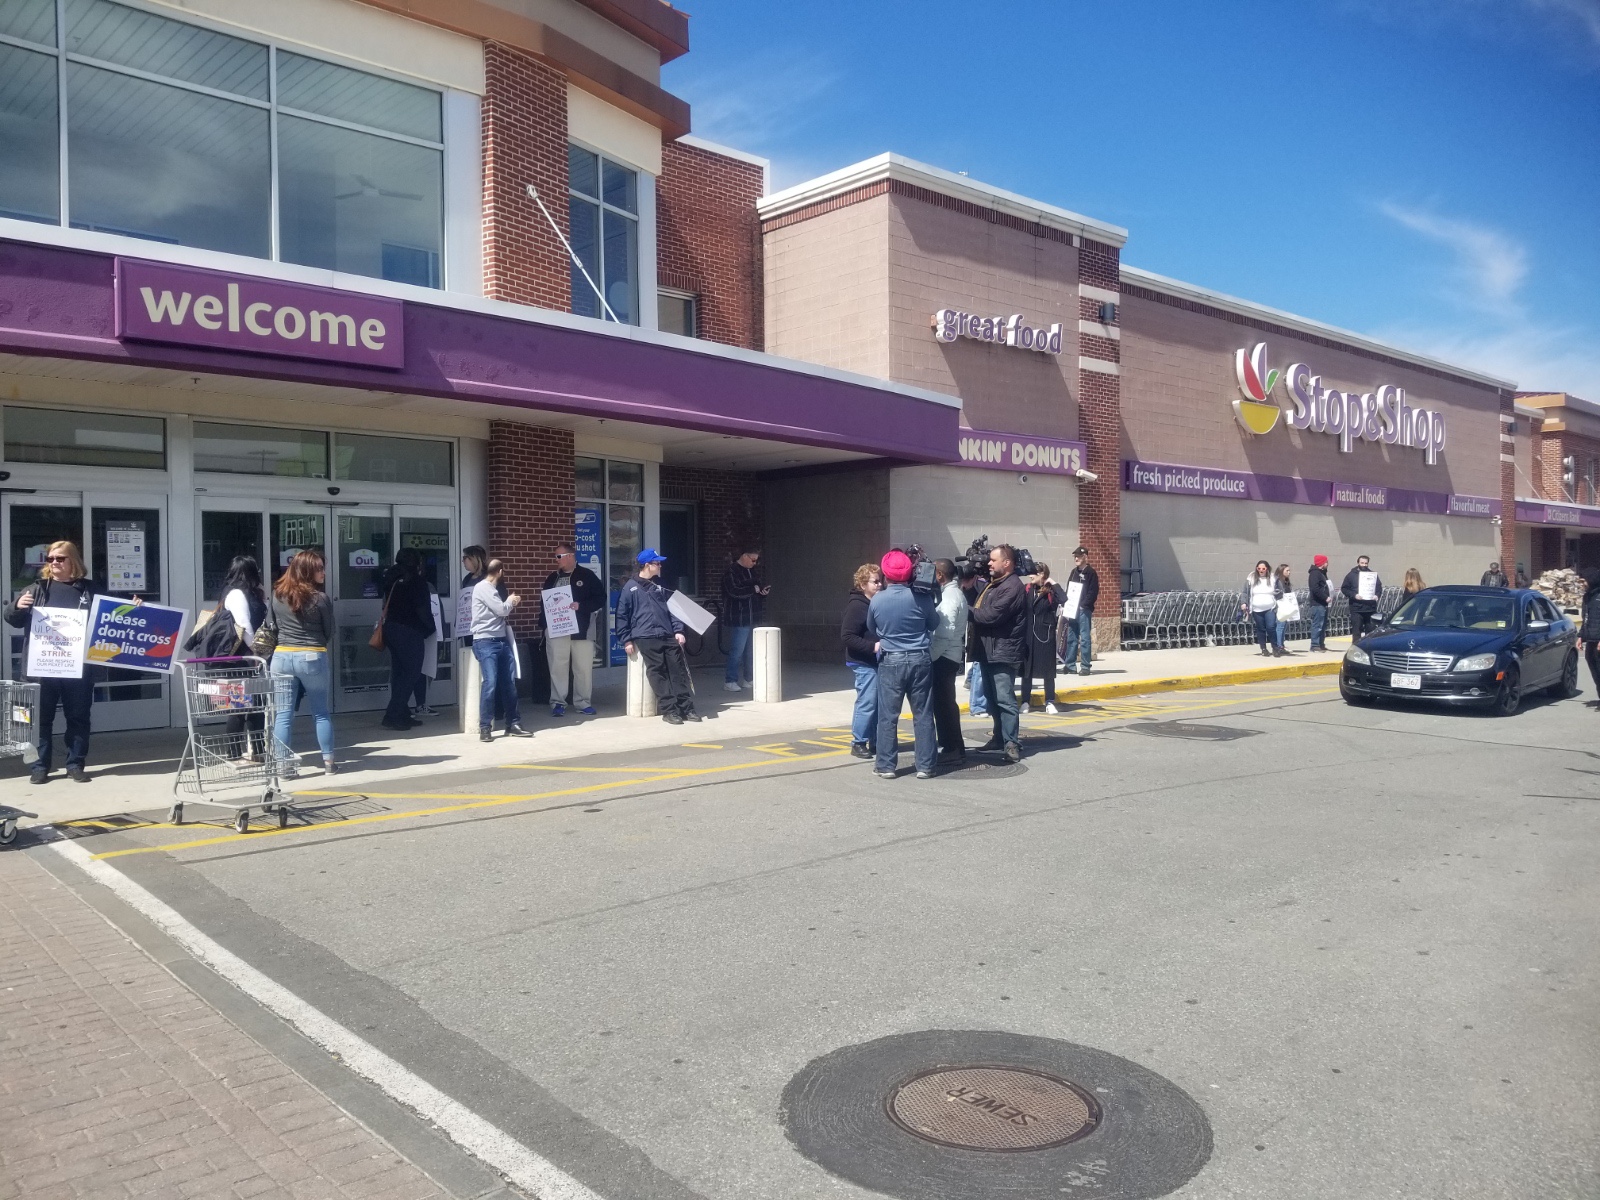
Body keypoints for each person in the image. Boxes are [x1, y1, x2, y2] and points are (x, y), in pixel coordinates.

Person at [6, 541, 96, 784]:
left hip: (77, 669)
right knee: (38, 720)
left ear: (73, 561)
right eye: (50, 559)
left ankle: (75, 765)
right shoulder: (36, 589)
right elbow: (12, 619)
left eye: (60, 558)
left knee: (78, 718)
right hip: (41, 669)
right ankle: (39, 767)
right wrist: (16, 606)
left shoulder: (89, 590)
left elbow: (114, 616)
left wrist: (135, 606)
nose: (54, 562)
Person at [866, 550, 939, 779]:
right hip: (919, 658)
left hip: (891, 659)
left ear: (886, 574)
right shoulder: (922, 597)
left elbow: (871, 627)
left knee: (888, 716)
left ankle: (886, 765)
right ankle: (925, 766)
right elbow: (934, 623)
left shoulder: (877, 599)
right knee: (923, 714)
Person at [267, 550, 337, 776]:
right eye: (319, 569)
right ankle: (329, 763)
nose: (323, 573)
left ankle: (283, 767)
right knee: (321, 713)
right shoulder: (320, 599)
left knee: (283, 715)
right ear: (307, 571)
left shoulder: (277, 595)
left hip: (281, 657)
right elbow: (329, 631)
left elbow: (272, 626)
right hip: (312, 656)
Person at [617, 549, 698, 725]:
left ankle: (687, 708)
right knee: (657, 672)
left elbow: (675, 609)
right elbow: (622, 615)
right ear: (647, 565)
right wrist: (626, 639)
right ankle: (669, 710)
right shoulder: (630, 587)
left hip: (667, 634)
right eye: (657, 563)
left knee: (677, 671)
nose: (660, 566)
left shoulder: (662, 585)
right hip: (645, 636)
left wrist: (678, 630)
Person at [969, 543, 1027, 762]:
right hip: (989, 650)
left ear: (1007, 563)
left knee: (1005, 699)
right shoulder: (995, 584)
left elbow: (990, 616)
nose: (989, 564)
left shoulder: (1012, 587)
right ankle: (998, 737)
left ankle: (1011, 743)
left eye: (994, 560)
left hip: (1003, 651)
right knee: (992, 698)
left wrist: (964, 610)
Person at [469, 559, 531, 742]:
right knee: (490, 683)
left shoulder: (490, 589)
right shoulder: (483, 587)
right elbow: (501, 610)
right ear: (500, 572)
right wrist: (511, 601)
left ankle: (513, 724)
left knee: (508, 683)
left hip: (501, 641)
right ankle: (485, 727)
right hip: (485, 642)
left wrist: (509, 603)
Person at [543, 543, 605, 717]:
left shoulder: (587, 575)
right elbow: (544, 603)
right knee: (557, 667)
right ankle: (558, 703)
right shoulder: (552, 578)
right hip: (557, 630)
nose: (556, 560)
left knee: (583, 668)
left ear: (570, 556)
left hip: (582, 630)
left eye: (559, 556)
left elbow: (601, 598)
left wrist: (581, 606)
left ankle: (583, 702)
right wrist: (545, 624)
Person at [378, 548, 434, 731]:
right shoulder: (416, 581)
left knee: (399, 673)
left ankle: (402, 713)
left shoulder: (391, 578)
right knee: (411, 673)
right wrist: (430, 628)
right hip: (410, 631)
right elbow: (422, 609)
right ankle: (393, 714)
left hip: (392, 628)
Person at [220, 556, 268, 761]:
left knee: (256, 705)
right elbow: (244, 625)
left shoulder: (250, 592)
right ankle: (234, 752)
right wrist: (256, 652)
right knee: (239, 707)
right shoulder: (236, 594)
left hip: (249, 657)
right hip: (241, 658)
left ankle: (258, 749)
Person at [841, 563, 883, 759]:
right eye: (875, 581)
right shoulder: (857, 606)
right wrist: (872, 646)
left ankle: (875, 741)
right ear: (863, 584)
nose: (880, 584)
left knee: (877, 702)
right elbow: (847, 636)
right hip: (863, 662)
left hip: (875, 661)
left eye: (880, 581)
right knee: (867, 701)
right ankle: (858, 742)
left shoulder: (874, 603)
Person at [928, 559, 968, 765]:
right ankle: (952, 746)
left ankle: (953, 748)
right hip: (947, 655)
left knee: (944, 705)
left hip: (944, 657)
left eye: (933, 572)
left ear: (940, 575)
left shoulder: (950, 596)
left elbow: (944, 633)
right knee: (943, 704)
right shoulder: (952, 593)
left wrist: (931, 656)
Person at [721, 546, 770, 692]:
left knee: (750, 651)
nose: (754, 563)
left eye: (756, 560)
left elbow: (755, 590)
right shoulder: (731, 572)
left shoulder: (752, 571)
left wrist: (762, 592)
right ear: (744, 556)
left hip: (752, 616)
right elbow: (733, 592)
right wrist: (752, 590)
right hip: (740, 617)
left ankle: (749, 679)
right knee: (737, 651)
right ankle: (730, 680)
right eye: (753, 560)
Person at [1022, 564, 1063, 713]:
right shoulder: (1027, 589)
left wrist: (1053, 583)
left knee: (1048, 671)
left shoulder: (1050, 592)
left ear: (1042, 574)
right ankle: (1025, 701)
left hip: (1045, 635)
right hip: (1029, 635)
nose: (1030, 576)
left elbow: (1064, 599)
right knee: (1027, 671)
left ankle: (1049, 701)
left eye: (1033, 573)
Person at [1062, 548, 1099, 676]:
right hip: (1072, 609)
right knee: (1071, 637)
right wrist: (1066, 604)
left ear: (1085, 557)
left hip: (1084, 610)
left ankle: (1085, 666)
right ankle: (1070, 665)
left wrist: (1084, 605)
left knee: (1084, 638)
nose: (1076, 559)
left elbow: (1093, 592)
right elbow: (1069, 589)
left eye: (1078, 556)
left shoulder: (1091, 573)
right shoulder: (1074, 572)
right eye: (1075, 557)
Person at [959, 565, 989, 716]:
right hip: (973, 629)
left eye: (966, 581)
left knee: (979, 666)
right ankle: (977, 706)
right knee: (979, 667)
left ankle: (978, 704)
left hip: (978, 629)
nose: (964, 584)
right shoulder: (965, 588)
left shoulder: (981, 587)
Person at [1241, 560, 1281, 657]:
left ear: (1267, 569)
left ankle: (1275, 647)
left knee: (1271, 627)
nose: (1261, 570)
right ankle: (1263, 648)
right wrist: (1244, 603)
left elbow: (1280, 590)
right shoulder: (1251, 578)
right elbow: (1245, 592)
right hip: (1256, 608)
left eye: (1263, 568)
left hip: (1270, 607)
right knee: (1261, 628)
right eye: (1259, 568)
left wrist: (1278, 593)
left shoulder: (1273, 578)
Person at [1341, 554, 1384, 642]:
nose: (1364, 565)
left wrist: (1377, 595)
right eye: (1362, 563)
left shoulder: (1372, 575)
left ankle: (1369, 647)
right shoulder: (1351, 575)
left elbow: (1379, 587)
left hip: (1370, 608)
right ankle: (1356, 646)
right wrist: (1354, 595)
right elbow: (1344, 588)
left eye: (1366, 563)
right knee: (1357, 631)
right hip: (1356, 608)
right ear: (1358, 563)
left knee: (1370, 631)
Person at [1579, 567, 1600, 702]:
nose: (1582, 584)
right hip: (1591, 639)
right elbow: (1585, 618)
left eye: (1584, 581)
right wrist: (1581, 636)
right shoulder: (1587, 597)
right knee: (1594, 669)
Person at [1307, 553, 1332, 652]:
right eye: (1326, 562)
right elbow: (1315, 589)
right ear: (1322, 563)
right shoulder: (1315, 574)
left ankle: (1321, 644)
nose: (1327, 564)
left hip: (1323, 604)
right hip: (1317, 604)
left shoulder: (1322, 573)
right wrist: (1325, 597)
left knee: (1323, 625)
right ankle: (1315, 645)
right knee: (1317, 625)